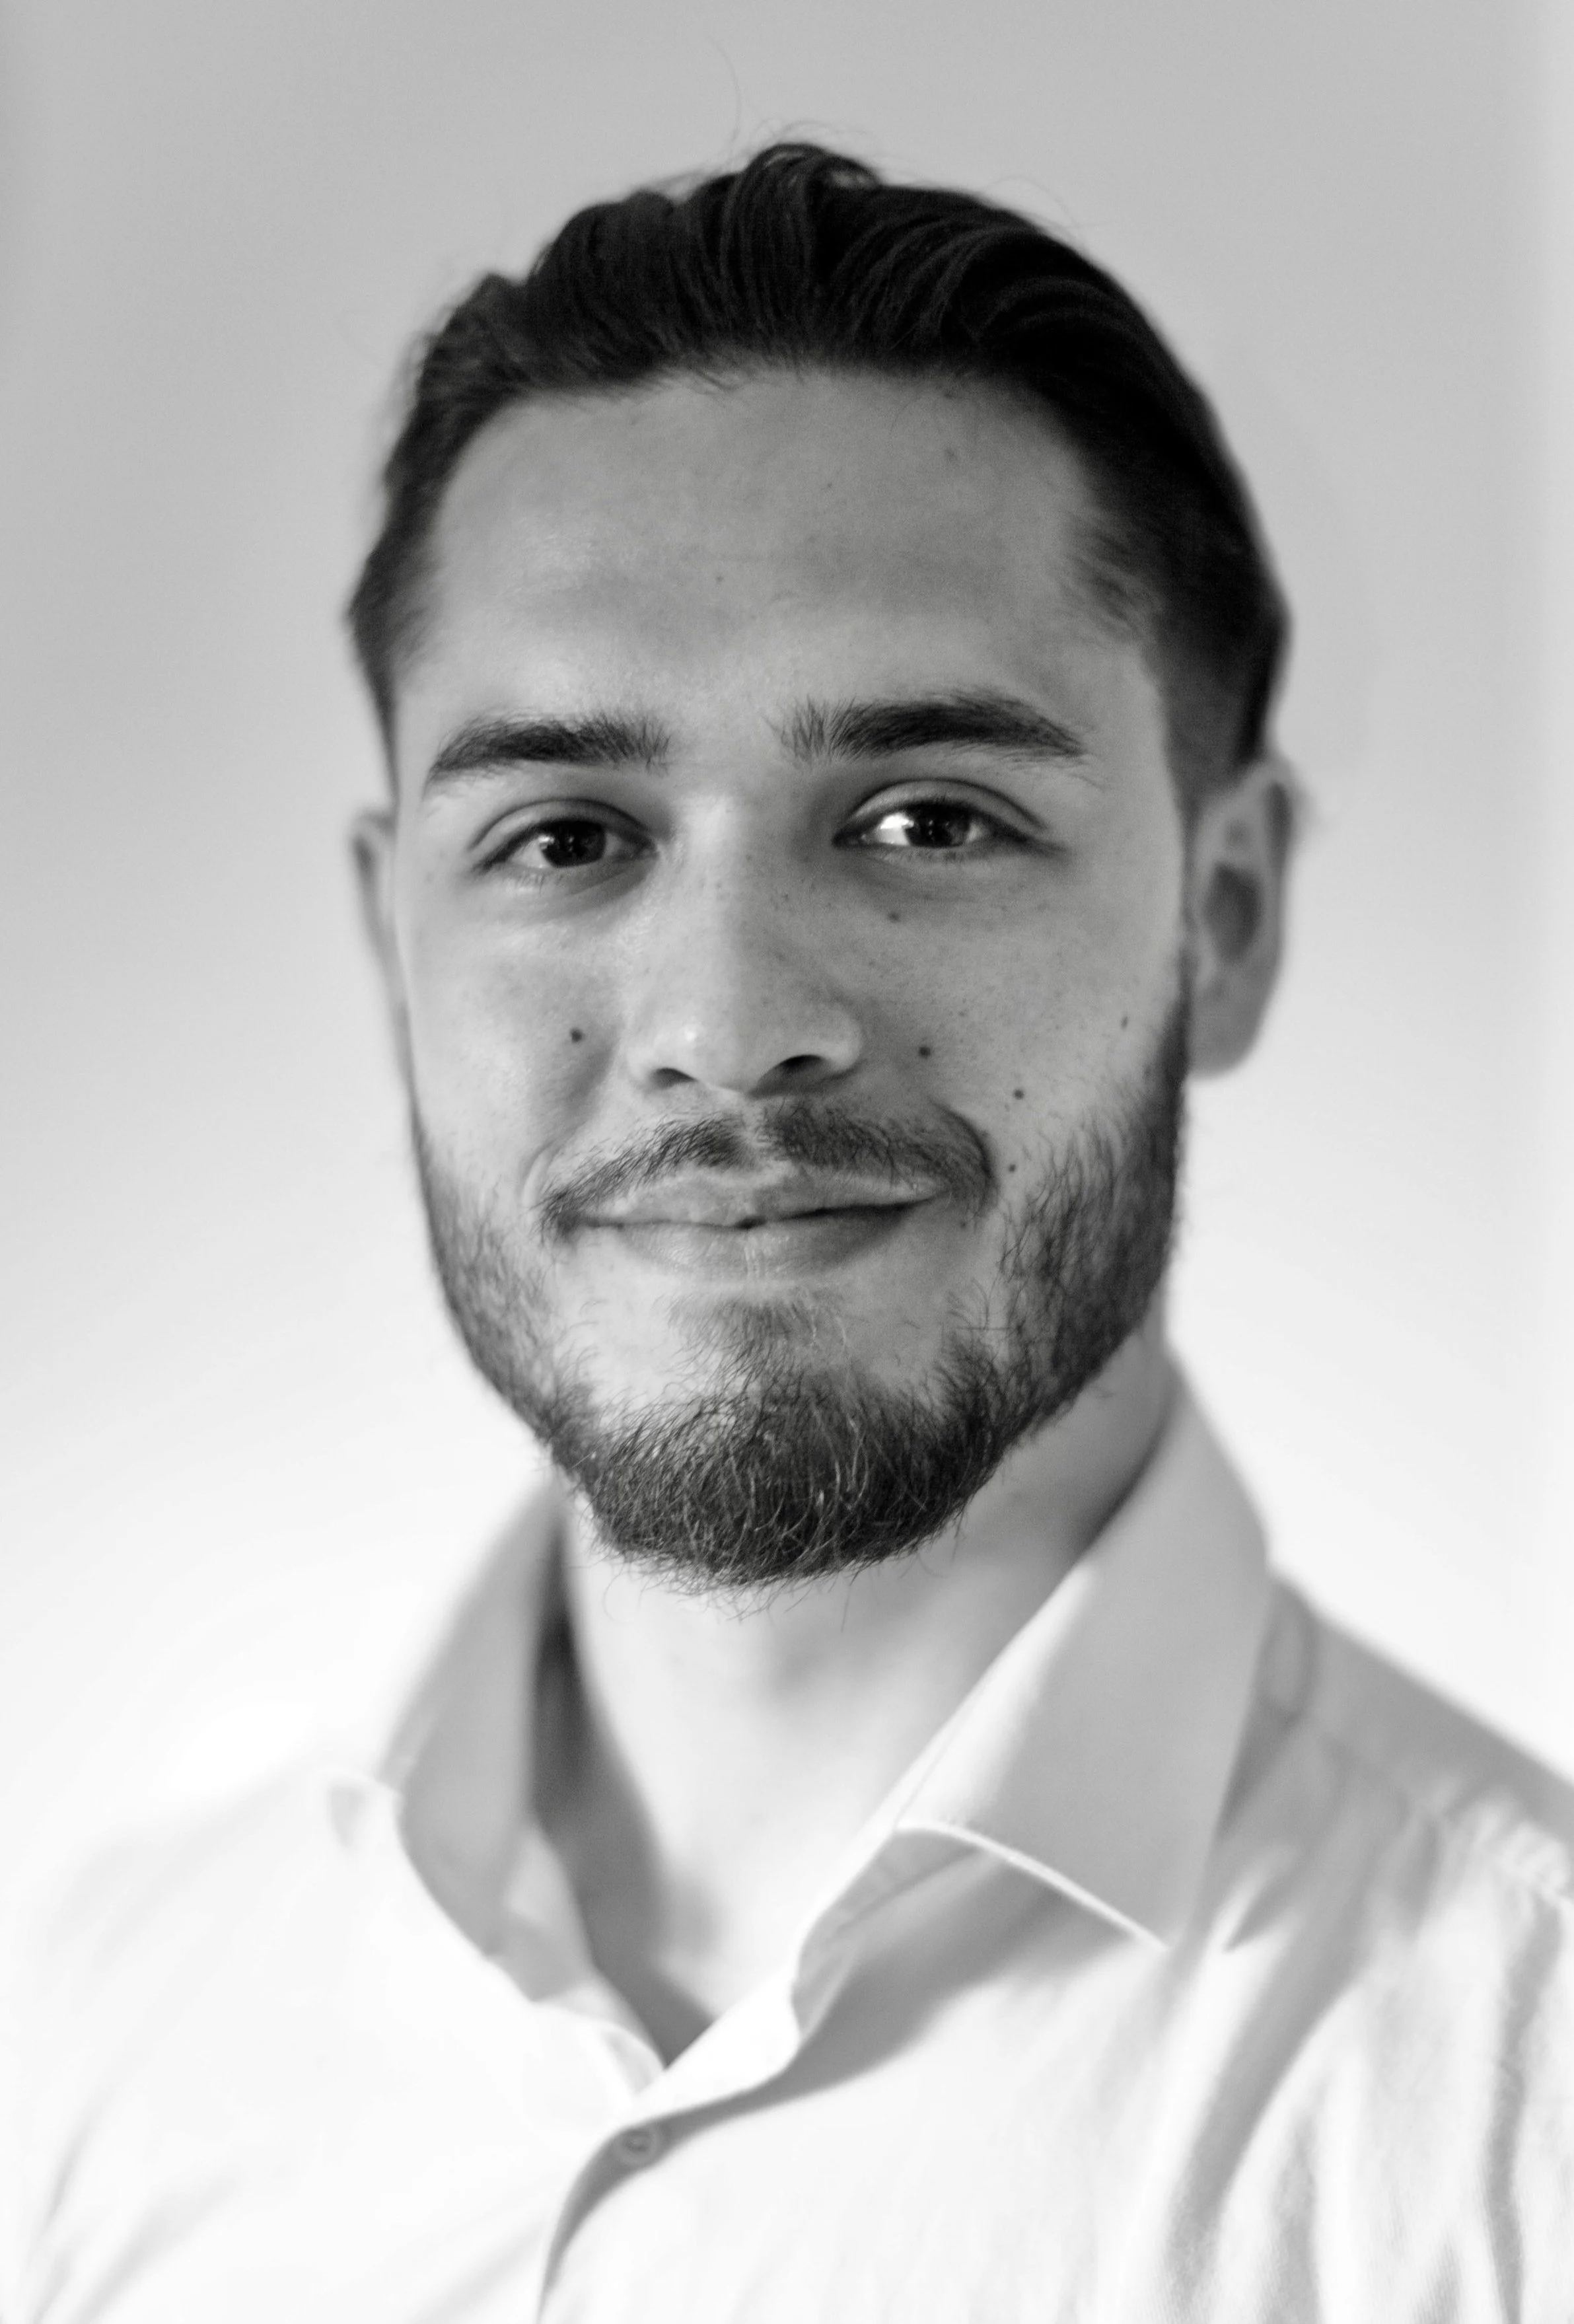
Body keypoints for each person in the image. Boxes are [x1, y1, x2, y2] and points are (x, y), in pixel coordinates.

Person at [2, 141, 1569, 2323]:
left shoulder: (1517, 2122)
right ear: (392, 944)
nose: (727, 1026)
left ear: (1221, 917)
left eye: (931, 818)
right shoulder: (85, 2037)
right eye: (566, 835)